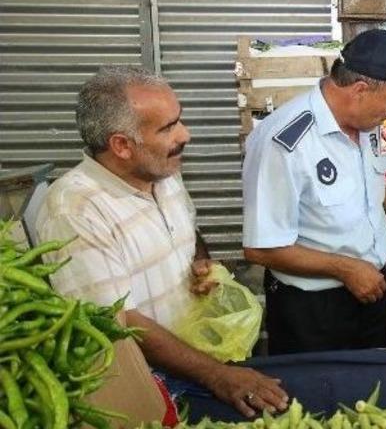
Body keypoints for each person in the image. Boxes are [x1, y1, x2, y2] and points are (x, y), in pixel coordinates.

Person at [35, 66, 288, 418]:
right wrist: (218, 376)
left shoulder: (161, 171)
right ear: (122, 145)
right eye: (168, 128)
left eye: (178, 120)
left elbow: (188, 229)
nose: (185, 134)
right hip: (147, 387)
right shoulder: (75, 212)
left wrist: (199, 260)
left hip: (197, 360)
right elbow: (117, 322)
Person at [242, 29, 386, 355]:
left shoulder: (366, 124)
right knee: (318, 387)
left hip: (371, 290)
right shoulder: (284, 143)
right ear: (360, 90)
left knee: (373, 383)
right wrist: (346, 269)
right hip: (314, 309)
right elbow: (260, 248)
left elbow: (364, 183)